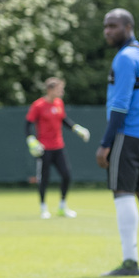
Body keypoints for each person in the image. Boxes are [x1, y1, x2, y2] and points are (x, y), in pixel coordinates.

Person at [95, 8, 139, 276]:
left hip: (127, 135)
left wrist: (106, 143)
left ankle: (130, 262)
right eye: (105, 26)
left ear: (128, 27)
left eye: (113, 26)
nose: (107, 31)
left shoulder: (125, 58)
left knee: (122, 194)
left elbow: (120, 105)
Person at [25, 77, 91, 219]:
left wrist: (77, 129)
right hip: (44, 149)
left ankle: (62, 206)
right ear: (50, 89)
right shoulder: (38, 105)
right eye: (59, 89)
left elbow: (64, 120)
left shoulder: (59, 103)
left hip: (58, 147)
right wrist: (32, 141)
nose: (62, 91)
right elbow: (28, 125)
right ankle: (43, 208)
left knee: (66, 176)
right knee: (44, 178)